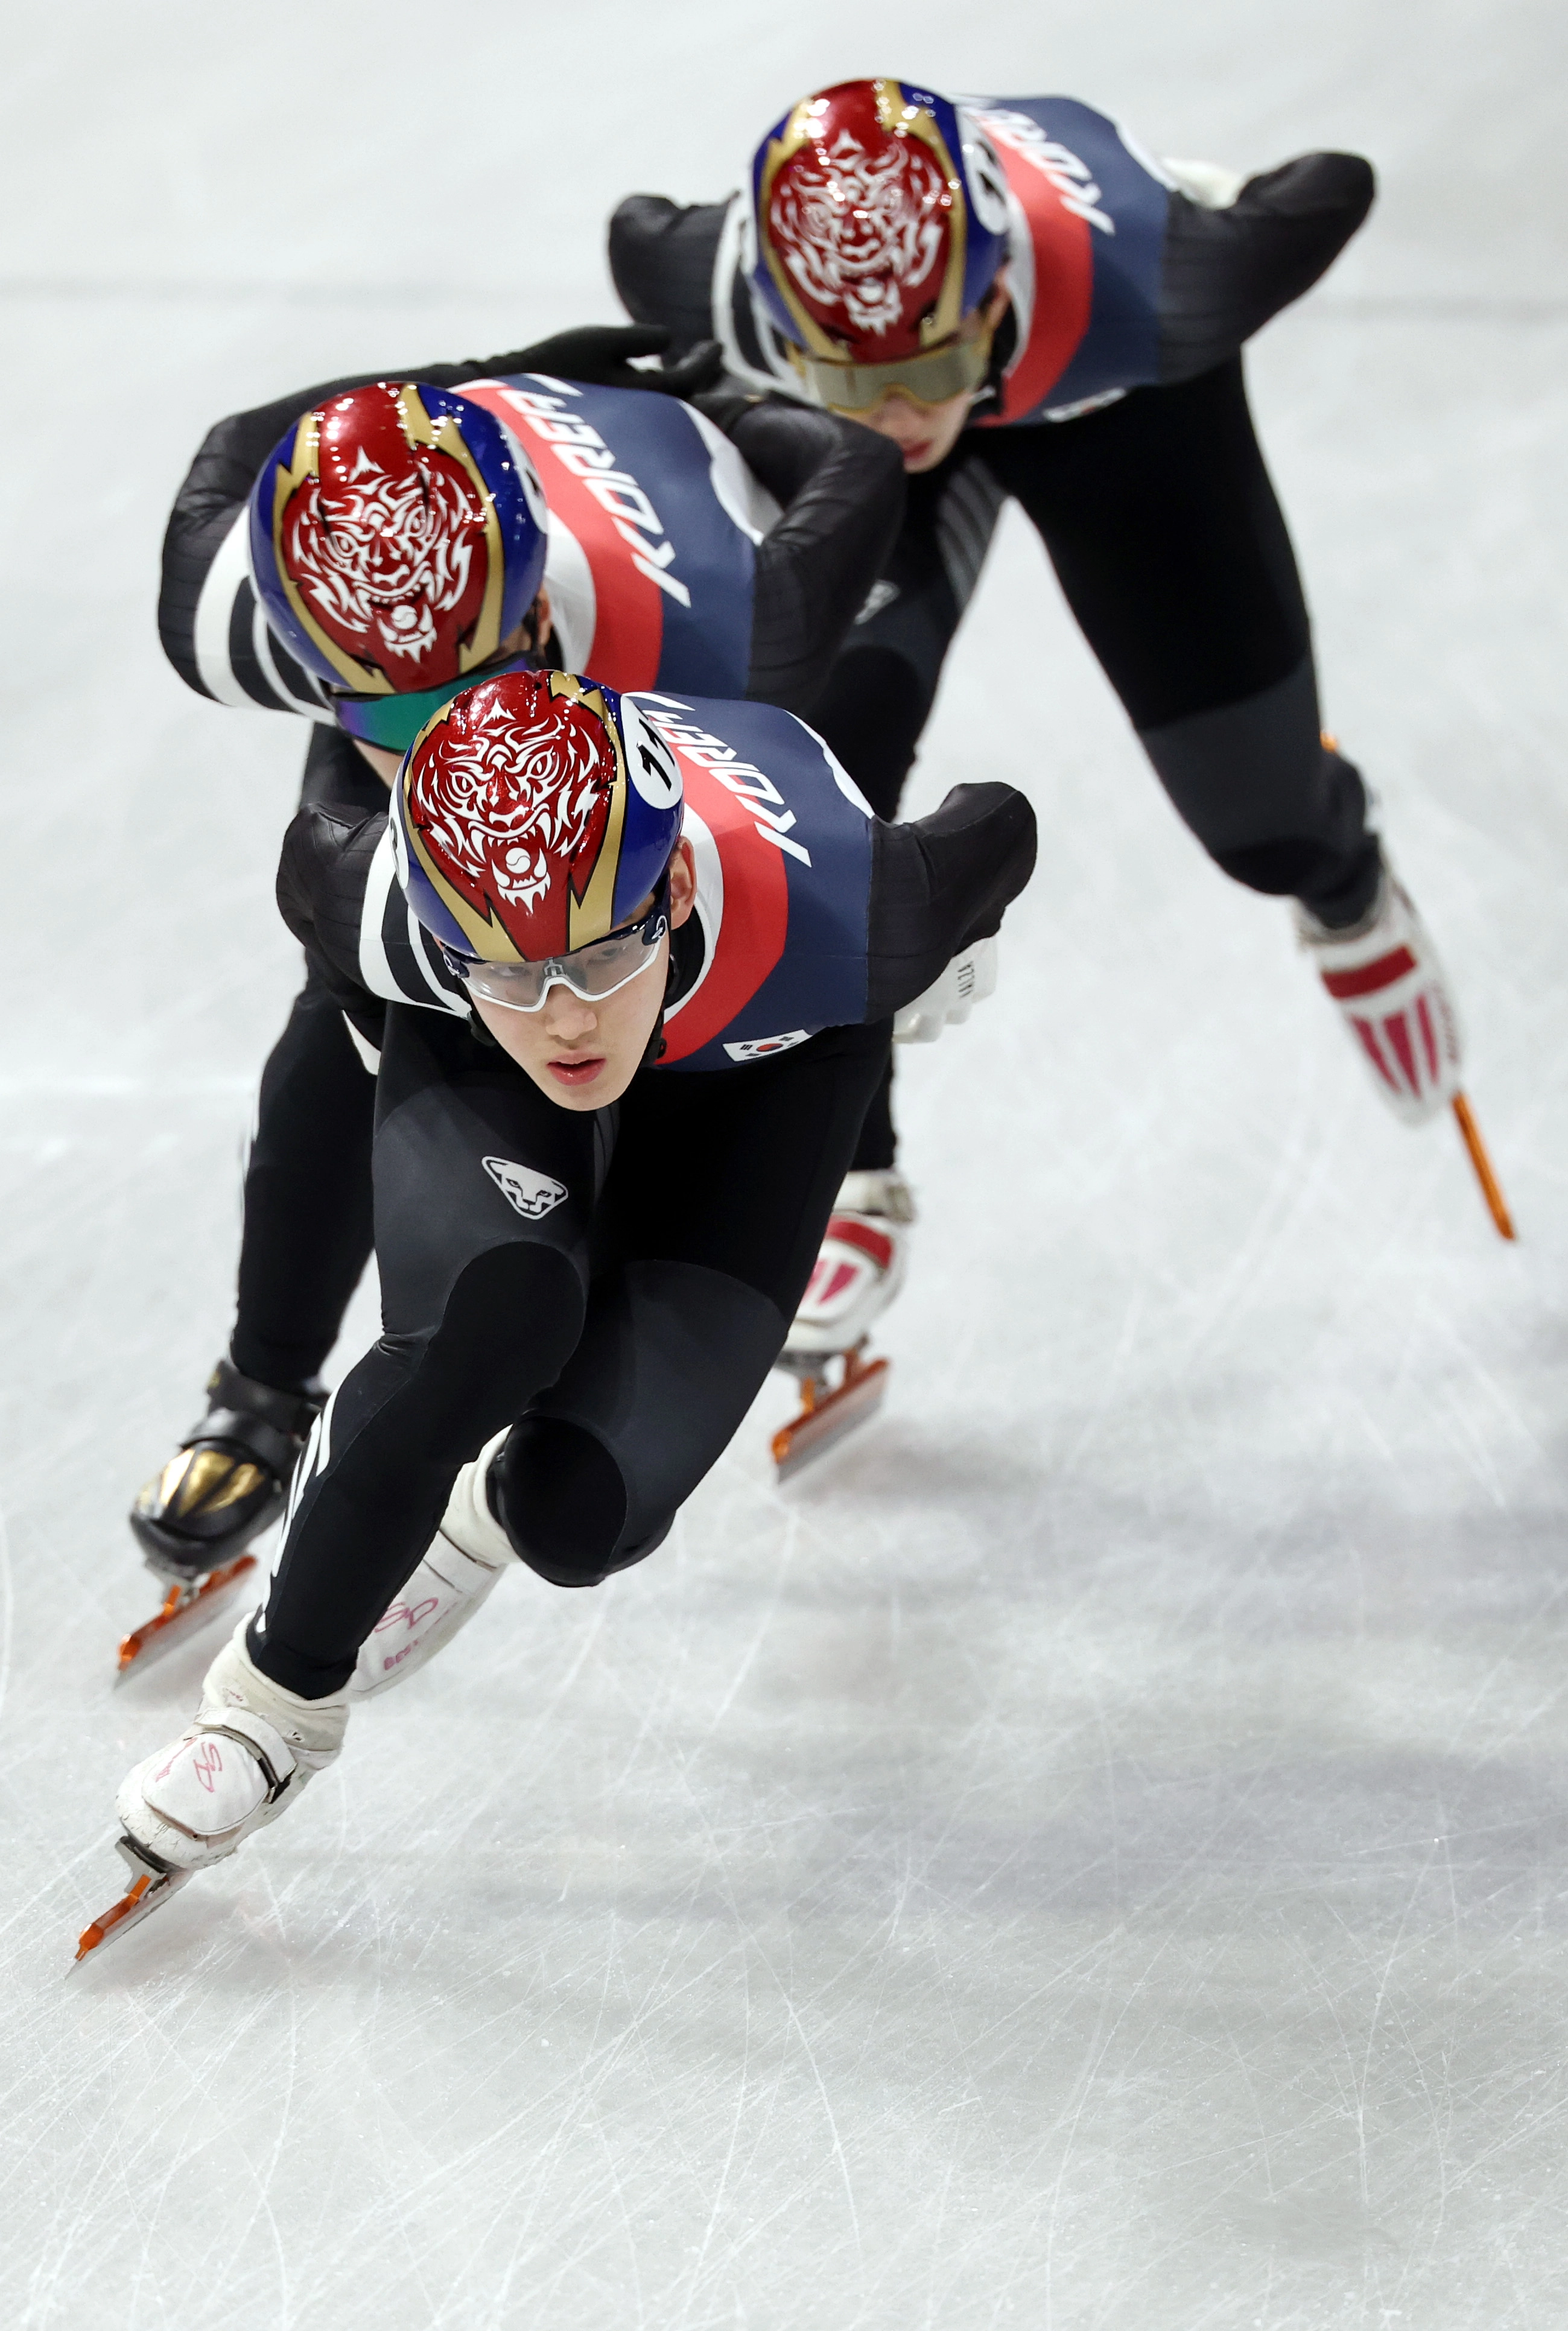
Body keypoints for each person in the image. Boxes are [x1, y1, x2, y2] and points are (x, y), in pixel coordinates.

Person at [99, 665, 1034, 1912]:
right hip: (477, 1023)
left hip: (768, 1062)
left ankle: (478, 1511)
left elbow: (999, 823)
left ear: (677, 886)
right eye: (517, 975)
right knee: (490, 1315)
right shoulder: (388, 907)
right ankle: (264, 1719)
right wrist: (383, 1024)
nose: (567, 1021)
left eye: (597, 961)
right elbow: (313, 884)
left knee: (580, 1514)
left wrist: (953, 952)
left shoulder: (862, 909)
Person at [609, 78, 1464, 1353]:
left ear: (998, 287)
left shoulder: (1169, 275)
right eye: (850, 372)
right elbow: (637, 229)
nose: (899, 414)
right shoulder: (714, 279)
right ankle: (851, 1162)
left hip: (1122, 407)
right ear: (781, 323)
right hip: (894, 465)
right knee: (805, 773)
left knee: (1258, 820)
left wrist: (1207, 199)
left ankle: (1339, 878)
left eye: (933, 366)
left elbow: (1332, 182)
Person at [130, 327, 906, 1602]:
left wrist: (741, 415)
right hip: (428, 626)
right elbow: (239, 448)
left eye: (468, 680)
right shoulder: (234, 619)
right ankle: (261, 1387)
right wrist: (491, 373)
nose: (442, 731)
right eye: (397, 711)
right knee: (344, 1007)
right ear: (307, 669)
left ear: (537, 613)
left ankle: (860, 1158)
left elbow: (863, 469)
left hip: (643, 694)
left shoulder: (731, 624)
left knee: (795, 900)